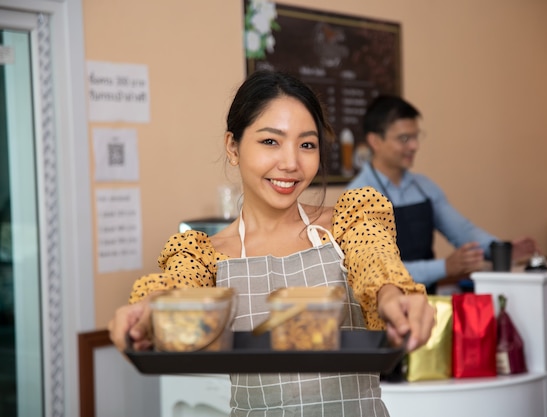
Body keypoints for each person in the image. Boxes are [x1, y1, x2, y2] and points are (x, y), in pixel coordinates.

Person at [108, 70, 435, 417]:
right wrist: (145, 311)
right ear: (232, 148)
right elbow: (175, 286)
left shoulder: (349, 222)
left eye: (307, 144)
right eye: (270, 141)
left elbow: (376, 262)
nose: (291, 163)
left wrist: (393, 298)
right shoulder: (206, 253)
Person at [346, 95, 537, 293]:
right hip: (379, 317)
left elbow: (463, 231)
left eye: (415, 136)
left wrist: (499, 249)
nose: (415, 146)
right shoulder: (357, 196)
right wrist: (444, 267)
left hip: (426, 304)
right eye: (404, 139)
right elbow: (376, 271)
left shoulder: (424, 187)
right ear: (375, 141)